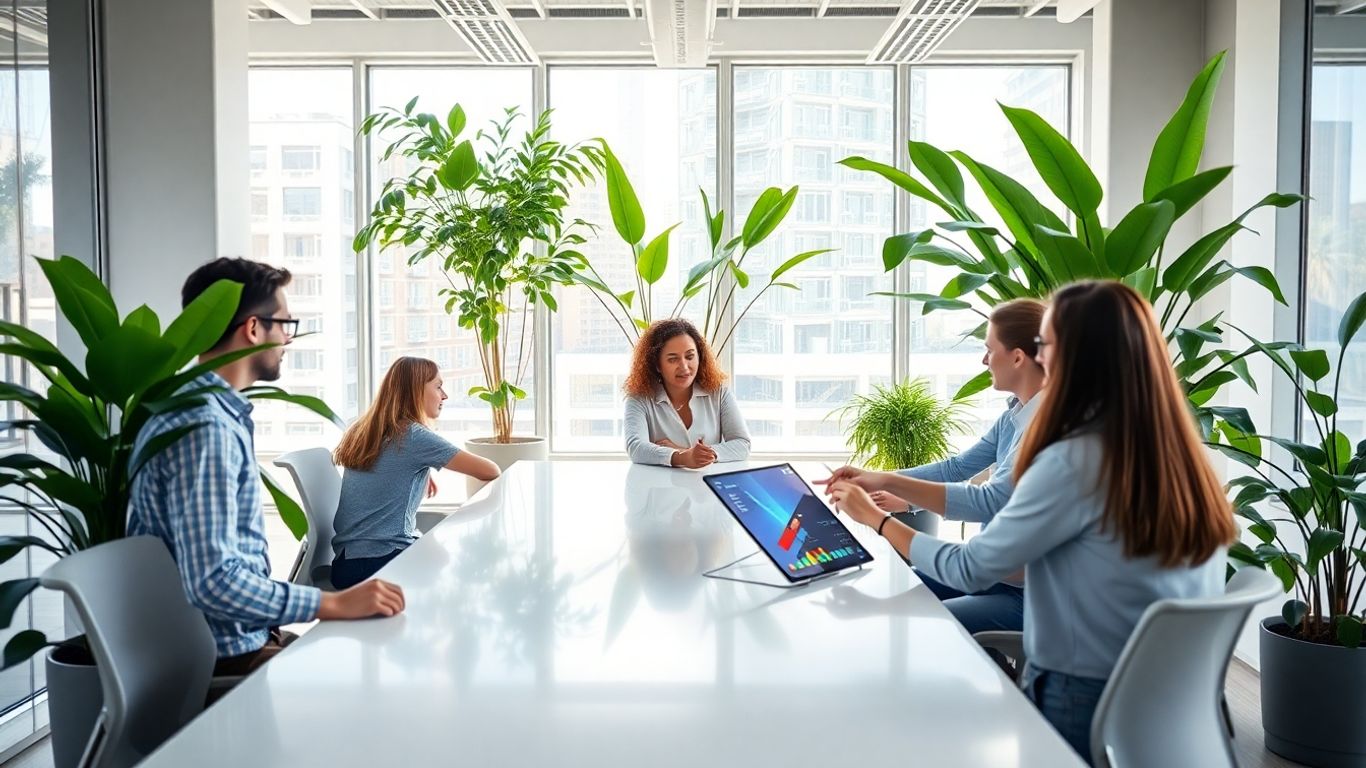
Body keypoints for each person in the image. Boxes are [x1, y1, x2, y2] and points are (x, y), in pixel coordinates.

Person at [822, 281, 1234, 765]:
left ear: (1076, 355)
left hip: (1083, 690)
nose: (1040, 355)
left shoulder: (1075, 457)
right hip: (1166, 702)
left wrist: (876, 518)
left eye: (1047, 343)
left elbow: (970, 567)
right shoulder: (1180, 455)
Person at [130, 258, 406, 679]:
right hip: (222, 657)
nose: (287, 340)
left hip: (243, 640)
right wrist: (330, 604)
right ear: (253, 328)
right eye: (284, 325)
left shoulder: (205, 410)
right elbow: (214, 581)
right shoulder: (206, 427)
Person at [829, 299, 1047, 636]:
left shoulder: (1045, 429)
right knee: (895, 594)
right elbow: (956, 468)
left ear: (1018, 357)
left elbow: (990, 501)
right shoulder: (1014, 417)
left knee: (924, 624)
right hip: (994, 574)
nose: (985, 359)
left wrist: (879, 510)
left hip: (1030, 598)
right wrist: (880, 479)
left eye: (990, 349)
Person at [330, 356, 500, 589]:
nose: (444, 395)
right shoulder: (412, 436)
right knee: (463, 568)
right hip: (378, 564)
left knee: (442, 556)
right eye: (438, 386)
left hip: (345, 563)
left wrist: (422, 470)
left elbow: (389, 467)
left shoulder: (362, 428)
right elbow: (490, 470)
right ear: (416, 391)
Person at [623, 318, 751, 468]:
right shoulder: (639, 397)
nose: (684, 367)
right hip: (659, 487)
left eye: (690, 357)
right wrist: (682, 458)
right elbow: (636, 447)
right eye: (672, 359)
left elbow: (742, 444)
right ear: (657, 364)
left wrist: (688, 453)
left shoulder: (719, 392)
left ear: (699, 357)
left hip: (707, 486)